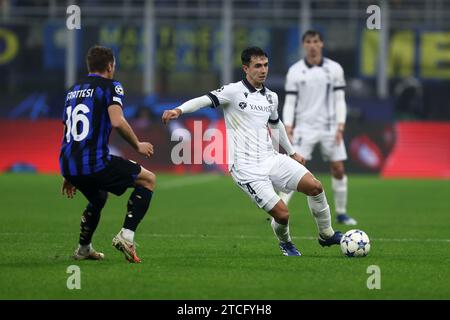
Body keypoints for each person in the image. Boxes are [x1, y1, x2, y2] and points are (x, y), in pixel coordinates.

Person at [162, 46, 342, 256]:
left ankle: (326, 234)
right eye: (258, 66)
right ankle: (286, 243)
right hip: (246, 168)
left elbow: (276, 125)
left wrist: (292, 153)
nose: (263, 70)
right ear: (246, 68)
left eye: (265, 65)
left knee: (315, 186)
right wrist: (178, 110)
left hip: (271, 158)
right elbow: (203, 100)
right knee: (282, 215)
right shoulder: (233, 91)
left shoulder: (271, 97)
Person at [60, 45, 156, 263]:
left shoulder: (73, 89)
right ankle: (126, 236)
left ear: (89, 66)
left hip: (68, 161)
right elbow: (117, 120)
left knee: (98, 196)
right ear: (110, 66)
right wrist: (137, 145)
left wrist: (68, 172)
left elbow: (68, 130)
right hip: (94, 162)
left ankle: (84, 249)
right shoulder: (111, 86)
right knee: (148, 180)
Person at [279, 30, 357, 226]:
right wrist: (288, 125)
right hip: (304, 127)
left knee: (338, 168)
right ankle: (279, 208)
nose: (312, 45)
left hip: (330, 127)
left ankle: (341, 212)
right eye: (308, 42)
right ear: (304, 45)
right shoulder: (295, 71)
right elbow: (289, 102)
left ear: (322, 44)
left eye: (316, 41)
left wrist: (341, 124)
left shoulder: (334, 69)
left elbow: (340, 99)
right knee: (294, 168)